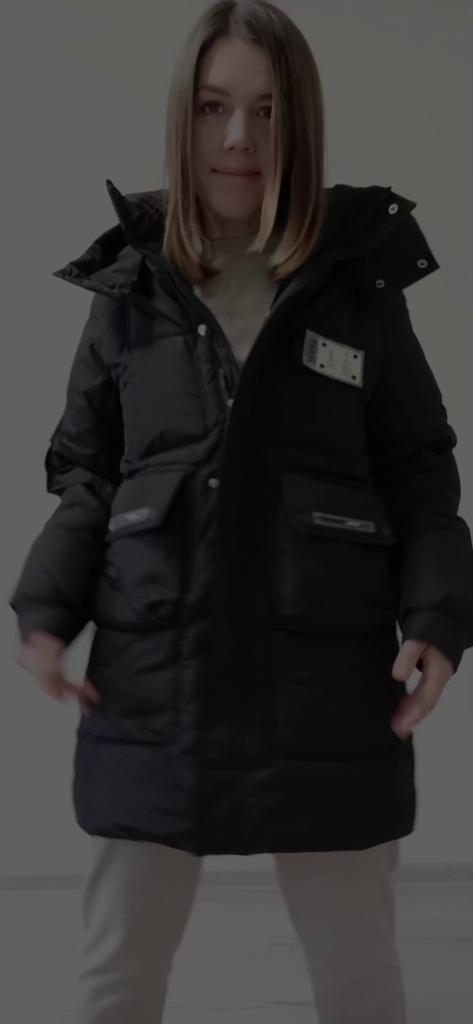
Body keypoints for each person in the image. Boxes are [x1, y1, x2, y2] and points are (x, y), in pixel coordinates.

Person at [9, 2, 473, 1022]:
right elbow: (85, 473)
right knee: (115, 980)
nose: (236, 138)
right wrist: (44, 609)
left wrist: (438, 617)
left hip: (327, 689)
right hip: (153, 687)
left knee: (358, 980)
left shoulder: (357, 280)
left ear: (299, 123)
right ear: (182, 115)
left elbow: (418, 469)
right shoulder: (132, 286)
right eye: (213, 106)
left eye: (266, 110)